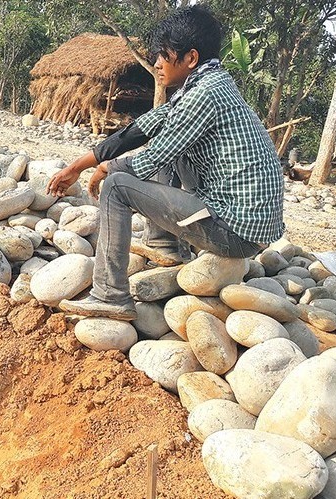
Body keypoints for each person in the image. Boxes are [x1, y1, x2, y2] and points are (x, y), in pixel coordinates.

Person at [46, 6, 284, 320]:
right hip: (241, 221)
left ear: (191, 58)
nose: (157, 63)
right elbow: (144, 127)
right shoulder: (207, 85)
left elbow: (149, 159)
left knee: (117, 185)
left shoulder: (203, 96)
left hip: (235, 233)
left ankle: (109, 295)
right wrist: (78, 165)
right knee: (164, 147)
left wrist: (106, 170)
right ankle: (164, 246)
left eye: (164, 55)